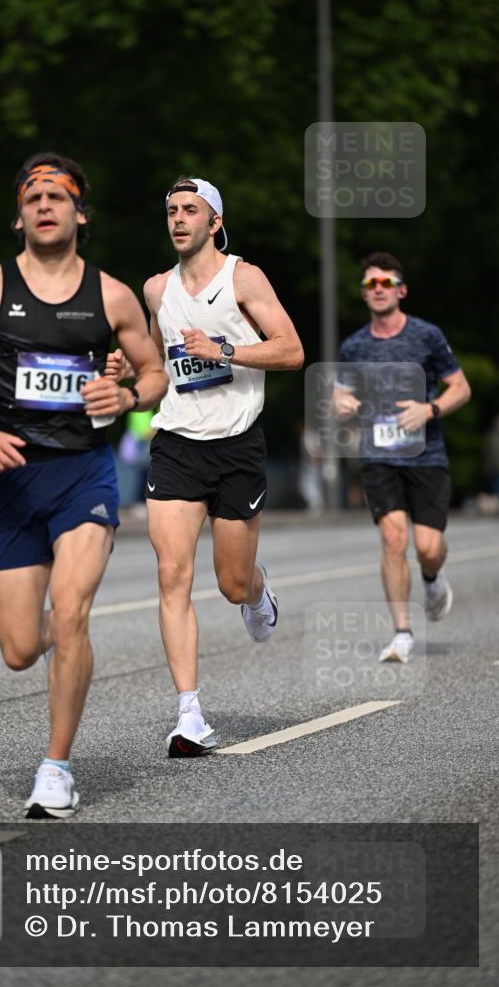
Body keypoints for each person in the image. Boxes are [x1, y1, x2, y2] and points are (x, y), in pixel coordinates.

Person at [0, 152, 168, 817]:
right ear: (18, 218)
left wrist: (127, 397)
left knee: (70, 614)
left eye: (56, 196)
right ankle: (58, 645)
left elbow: (154, 373)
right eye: (32, 197)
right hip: (12, 480)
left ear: (78, 214)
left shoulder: (111, 295)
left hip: (83, 473)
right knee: (17, 650)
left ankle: (55, 769)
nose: (43, 205)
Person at [140, 177, 303, 757]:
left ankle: (258, 593)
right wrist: (127, 377)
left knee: (231, 583)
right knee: (171, 574)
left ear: (215, 223)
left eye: (191, 210)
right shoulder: (156, 289)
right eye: (171, 210)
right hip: (177, 445)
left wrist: (225, 350)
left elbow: (292, 350)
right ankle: (189, 716)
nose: (178, 219)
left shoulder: (244, 278)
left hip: (236, 445)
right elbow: (156, 366)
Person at [334, 252, 471, 663]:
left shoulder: (427, 335)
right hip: (378, 455)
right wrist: (342, 404)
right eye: (370, 284)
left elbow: (461, 388)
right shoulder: (354, 346)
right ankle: (402, 633)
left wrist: (429, 410)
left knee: (428, 547)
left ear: (401, 290)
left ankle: (432, 576)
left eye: (386, 283)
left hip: (427, 456)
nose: (378, 290)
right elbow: (340, 395)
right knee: (394, 539)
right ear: (363, 293)